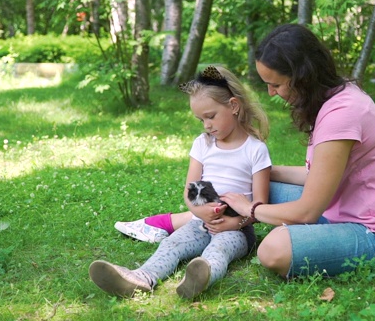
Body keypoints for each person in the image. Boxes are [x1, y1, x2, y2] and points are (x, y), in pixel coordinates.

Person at [220, 24, 375, 279]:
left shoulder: (342, 113)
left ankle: (231, 224)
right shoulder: (336, 97)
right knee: (258, 183)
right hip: (342, 210)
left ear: (302, 76)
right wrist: (263, 171)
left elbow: (307, 211)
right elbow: (316, 176)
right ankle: (196, 223)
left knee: (273, 249)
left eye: (276, 84)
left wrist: (251, 209)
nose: (271, 93)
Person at [89, 65, 272, 298]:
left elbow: (259, 206)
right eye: (201, 119)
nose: (206, 125)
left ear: (233, 106)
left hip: (237, 229)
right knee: (171, 244)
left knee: (219, 250)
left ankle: (200, 277)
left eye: (211, 116)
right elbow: (191, 190)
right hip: (200, 222)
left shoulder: (255, 150)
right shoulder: (203, 144)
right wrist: (199, 211)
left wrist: (233, 224)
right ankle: (141, 278)